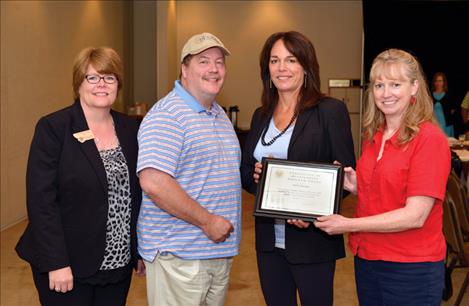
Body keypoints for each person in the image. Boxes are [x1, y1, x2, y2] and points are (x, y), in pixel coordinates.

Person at [315, 49, 451, 305]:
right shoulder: (375, 135)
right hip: (368, 259)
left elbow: (416, 215)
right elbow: (390, 190)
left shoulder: (429, 139)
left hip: (410, 268)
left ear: (414, 87)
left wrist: (348, 225)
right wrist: (357, 186)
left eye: (395, 84)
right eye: (379, 85)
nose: (385, 93)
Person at [15, 47, 144, 306]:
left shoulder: (132, 129)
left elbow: (139, 195)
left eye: (109, 77)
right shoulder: (54, 128)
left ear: (118, 83)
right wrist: (56, 262)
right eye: (92, 77)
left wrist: (139, 249)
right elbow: (42, 202)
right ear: (78, 83)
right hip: (68, 265)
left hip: (117, 263)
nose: (101, 84)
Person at [241, 31, 356, 306]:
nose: (282, 68)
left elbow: (347, 177)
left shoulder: (330, 111)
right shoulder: (261, 115)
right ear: (266, 68)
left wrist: (314, 213)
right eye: (274, 60)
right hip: (268, 242)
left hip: (312, 241)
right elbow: (245, 173)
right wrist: (258, 177)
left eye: (291, 60)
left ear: (306, 66)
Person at [137, 32, 241, 306]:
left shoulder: (217, 114)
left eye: (219, 62)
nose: (214, 69)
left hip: (215, 254)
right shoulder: (168, 114)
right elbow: (153, 182)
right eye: (203, 61)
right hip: (180, 257)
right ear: (184, 69)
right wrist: (208, 221)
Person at [431, 71, 459, 137]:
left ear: (444, 82)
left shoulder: (449, 95)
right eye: (436, 81)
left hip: (446, 126)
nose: (438, 83)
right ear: (434, 82)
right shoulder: (430, 95)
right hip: (434, 124)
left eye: (440, 81)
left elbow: (453, 110)